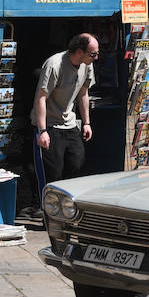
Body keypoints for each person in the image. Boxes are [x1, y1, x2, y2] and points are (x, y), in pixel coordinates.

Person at [32, 33, 98, 189]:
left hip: (69, 122)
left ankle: (68, 204)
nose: (96, 58)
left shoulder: (87, 64)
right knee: (54, 171)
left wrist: (87, 122)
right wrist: (42, 131)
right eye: (93, 54)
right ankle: (46, 205)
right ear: (79, 52)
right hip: (50, 124)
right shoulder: (54, 65)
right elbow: (41, 98)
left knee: (77, 164)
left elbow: (83, 93)